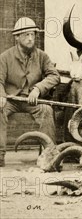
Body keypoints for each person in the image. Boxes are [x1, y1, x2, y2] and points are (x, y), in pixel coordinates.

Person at [0, 17, 60, 167]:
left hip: (33, 101)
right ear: (17, 37)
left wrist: (38, 89)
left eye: (32, 34)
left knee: (46, 110)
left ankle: (49, 156)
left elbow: (54, 76)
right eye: (26, 35)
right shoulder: (5, 57)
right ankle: (0, 155)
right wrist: (1, 95)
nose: (30, 38)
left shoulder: (42, 56)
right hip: (10, 100)